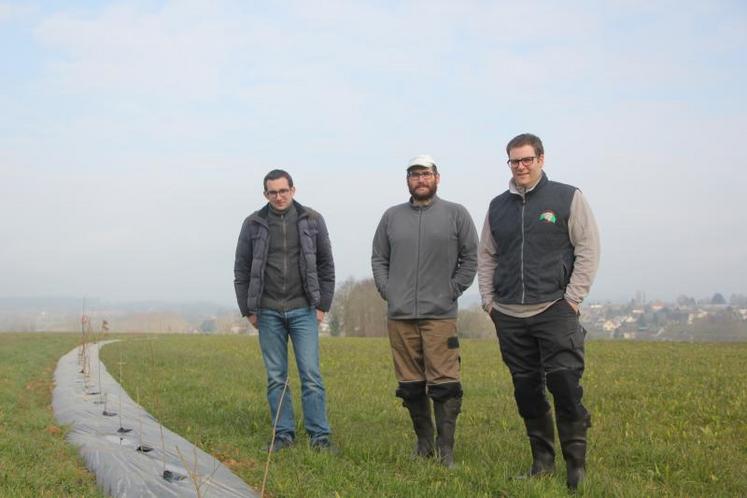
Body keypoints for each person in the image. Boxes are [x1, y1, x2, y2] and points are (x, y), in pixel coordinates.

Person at [477, 133, 600, 490]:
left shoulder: (567, 197)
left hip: (554, 309)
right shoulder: (497, 206)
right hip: (510, 314)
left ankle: (575, 465)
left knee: (564, 384)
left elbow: (588, 247)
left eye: (527, 159)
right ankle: (542, 462)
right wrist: (489, 301)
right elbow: (487, 255)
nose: (521, 166)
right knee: (526, 389)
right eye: (514, 161)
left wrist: (573, 299)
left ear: (541, 159)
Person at [371, 154, 478, 468]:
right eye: (414, 174)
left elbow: (470, 257)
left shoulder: (456, 214)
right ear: (407, 180)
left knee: (445, 383)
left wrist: (451, 290)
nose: (420, 179)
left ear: (437, 178)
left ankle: (446, 451)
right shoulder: (391, 217)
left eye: (426, 174)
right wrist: (388, 291)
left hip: (439, 315)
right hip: (400, 315)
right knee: (410, 383)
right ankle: (424, 445)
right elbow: (379, 258)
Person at [234, 169, 336, 452]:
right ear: (265, 194)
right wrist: (248, 310)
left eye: (283, 191)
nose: (278, 197)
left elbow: (326, 265)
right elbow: (241, 270)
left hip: (304, 309)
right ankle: (283, 435)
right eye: (272, 192)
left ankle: (320, 437)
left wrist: (322, 306)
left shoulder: (312, 220)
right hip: (267, 312)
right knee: (276, 377)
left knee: (311, 376)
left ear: (293, 190)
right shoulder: (253, 223)